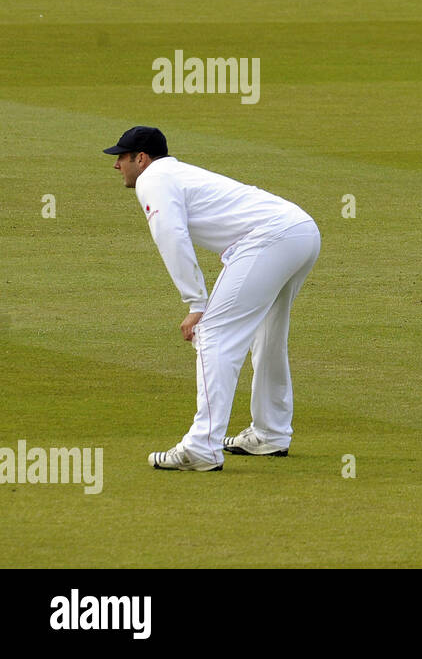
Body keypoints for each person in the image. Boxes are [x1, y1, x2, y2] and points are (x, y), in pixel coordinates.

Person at [105, 126, 320, 470]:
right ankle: (271, 433)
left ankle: (202, 446)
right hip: (301, 230)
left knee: (213, 334)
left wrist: (196, 304)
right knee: (268, 335)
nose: (117, 166)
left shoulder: (154, 178)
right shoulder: (175, 173)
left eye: (121, 157)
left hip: (270, 237)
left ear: (141, 159)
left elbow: (171, 236)